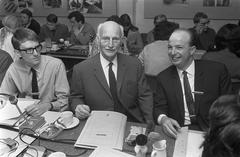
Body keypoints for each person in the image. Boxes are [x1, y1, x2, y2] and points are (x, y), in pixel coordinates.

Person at [153, 28, 232, 138]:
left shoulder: (216, 71)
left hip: (213, 132)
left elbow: (229, 106)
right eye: (170, 47)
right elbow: (158, 108)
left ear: (192, 50)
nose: (173, 52)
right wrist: (163, 119)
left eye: (179, 47)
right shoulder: (163, 77)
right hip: (179, 132)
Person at [70, 21, 153, 123]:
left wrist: (149, 122)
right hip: (97, 122)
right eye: (105, 39)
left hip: (130, 122)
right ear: (98, 39)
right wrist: (78, 106)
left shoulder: (134, 65)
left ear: (122, 40)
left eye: (115, 39)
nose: (110, 44)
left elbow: (144, 96)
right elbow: (75, 97)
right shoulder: (81, 69)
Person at [0, 28, 70, 116]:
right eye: (29, 50)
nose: (36, 53)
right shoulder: (14, 68)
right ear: (18, 53)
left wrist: (48, 106)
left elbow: (64, 101)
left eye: (37, 47)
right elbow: (4, 95)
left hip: (51, 113)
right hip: (26, 114)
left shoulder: (55, 65)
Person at [138, 21, 177, 90]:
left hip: (149, 89)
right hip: (170, 89)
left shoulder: (147, 48)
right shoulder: (174, 49)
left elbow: (138, 66)